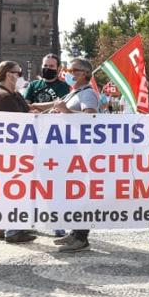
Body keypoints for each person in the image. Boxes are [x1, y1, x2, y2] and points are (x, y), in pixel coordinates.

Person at [49, 59, 101, 253]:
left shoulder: (88, 93)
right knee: (73, 193)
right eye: (68, 69)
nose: (67, 73)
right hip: (70, 151)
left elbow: (90, 118)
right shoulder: (75, 92)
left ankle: (82, 237)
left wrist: (65, 111)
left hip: (83, 152)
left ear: (83, 73)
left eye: (72, 70)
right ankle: (75, 232)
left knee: (82, 194)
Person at [0, 61, 36, 245]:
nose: (20, 76)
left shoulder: (13, 94)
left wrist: (55, 106)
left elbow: (30, 108)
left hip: (14, 151)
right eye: (18, 73)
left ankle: (3, 227)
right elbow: (20, 121)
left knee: (10, 189)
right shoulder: (3, 96)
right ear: (8, 74)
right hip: (11, 152)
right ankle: (13, 230)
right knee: (15, 189)